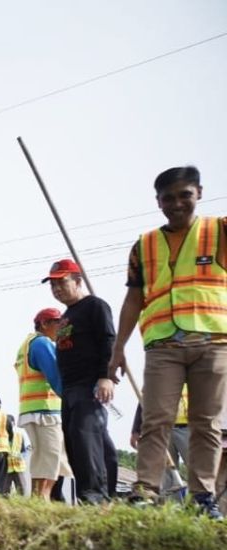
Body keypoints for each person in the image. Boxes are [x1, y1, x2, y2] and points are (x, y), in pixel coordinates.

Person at [108, 166, 227, 518]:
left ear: (199, 193)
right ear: (158, 202)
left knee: (207, 422)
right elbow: (133, 299)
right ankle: (146, 488)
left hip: (214, 341)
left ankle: (202, 496)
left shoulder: (219, 230)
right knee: (156, 418)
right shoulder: (144, 245)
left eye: (184, 195)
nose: (177, 204)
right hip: (163, 345)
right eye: (168, 198)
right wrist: (118, 350)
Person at [43, 259, 117, 504]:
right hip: (70, 388)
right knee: (77, 441)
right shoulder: (66, 315)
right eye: (53, 285)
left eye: (61, 283)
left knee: (86, 438)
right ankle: (102, 494)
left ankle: (95, 496)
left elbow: (108, 340)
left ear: (77, 280)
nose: (57, 289)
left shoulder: (94, 306)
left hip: (90, 384)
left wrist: (105, 376)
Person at [15, 308, 67, 498]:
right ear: (44, 324)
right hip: (45, 411)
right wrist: (72, 398)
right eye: (58, 323)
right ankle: (42, 498)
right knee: (51, 458)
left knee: (45, 457)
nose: (62, 327)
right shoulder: (42, 343)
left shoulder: (26, 345)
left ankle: (41, 498)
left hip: (32, 410)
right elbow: (56, 377)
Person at [130, 386, 189, 498]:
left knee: (197, 469)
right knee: (166, 472)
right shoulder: (160, 373)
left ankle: (201, 505)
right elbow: (144, 402)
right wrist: (136, 429)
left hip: (189, 428)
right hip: (163, 427)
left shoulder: (194, 373)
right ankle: (172, 507)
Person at [6, 416, 29, 495]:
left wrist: (21, 457)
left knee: (22, 490)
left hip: (18, 467)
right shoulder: (3, 434)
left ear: (13, 423)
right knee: (5, 492)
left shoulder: (20, 433)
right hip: (6, 468)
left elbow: (26, 449)